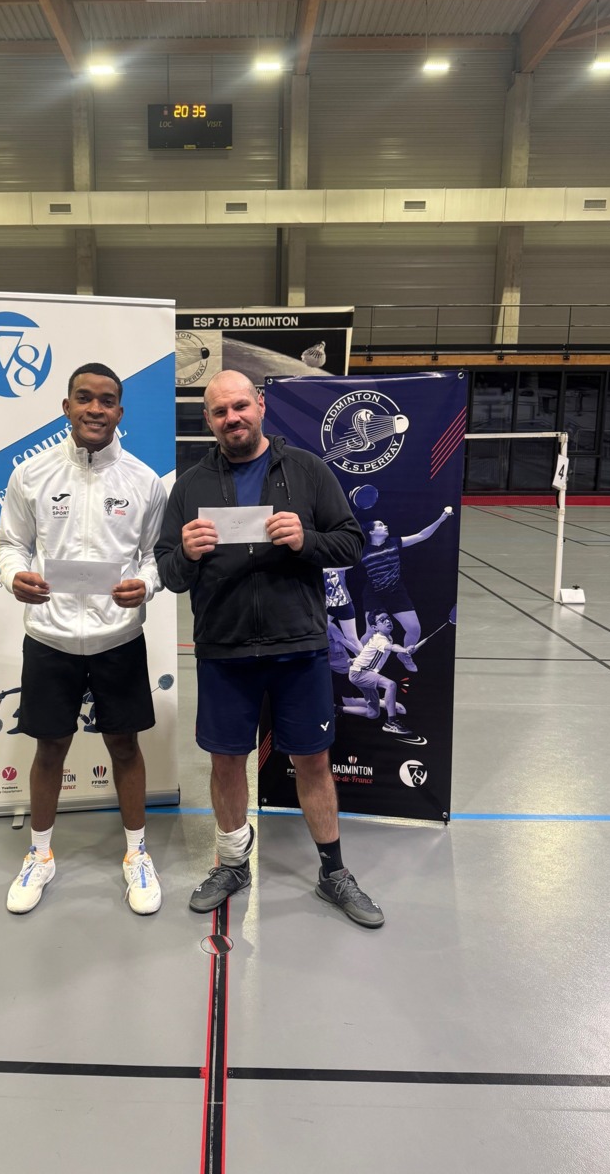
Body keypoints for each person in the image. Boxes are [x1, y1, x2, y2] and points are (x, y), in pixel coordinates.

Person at [155, 369, 385, 929]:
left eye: (240, 406)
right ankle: (233, 864)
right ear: (207, 420)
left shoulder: (307, 470)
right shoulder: (190, 486)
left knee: (312, 760)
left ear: (260, 405)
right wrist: (186, 552)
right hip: (224, 649)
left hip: (298, 647)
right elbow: (169, 572)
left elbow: (351, 543)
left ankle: (333, 872)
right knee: (226, 760)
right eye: (219, 412)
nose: (231, 418)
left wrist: (307, 540)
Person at [0, 362, 167, 916]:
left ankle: (136, 854)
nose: (96, 408)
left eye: (107, 400)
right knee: (50, 748)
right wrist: (13, 577)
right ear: (66, 407)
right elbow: (10, 544)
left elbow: (155, 556)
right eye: (85, 398)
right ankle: (40, 856)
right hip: (50, 637)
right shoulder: (31, 474)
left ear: (120, 411)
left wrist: (146, 584)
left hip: (119, 638)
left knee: (125, 746)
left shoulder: (144, 480)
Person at [353, 509, 453, 672]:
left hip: (396, 592)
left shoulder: (394, 542)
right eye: (380, 525)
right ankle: (361, 658)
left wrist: (441, 519)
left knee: (414, 629)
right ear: (371, 532)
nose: (385, 526)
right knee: (371, 632)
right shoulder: (361, 550)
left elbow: (421, 535)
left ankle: (404, 655)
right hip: (374, 594)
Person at [348, 610, 418, 739]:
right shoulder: (380, 639)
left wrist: (355, 660)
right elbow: (392, 647)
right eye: (382, 620)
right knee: (390, 685)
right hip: (360, 674)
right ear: (375, 627)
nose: (387, 621)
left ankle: (337, 709)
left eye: (388, 618)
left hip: (361, 672)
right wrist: (404, 650)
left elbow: (369, 651)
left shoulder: (386, 638)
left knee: (373, 713)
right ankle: (391, 722)